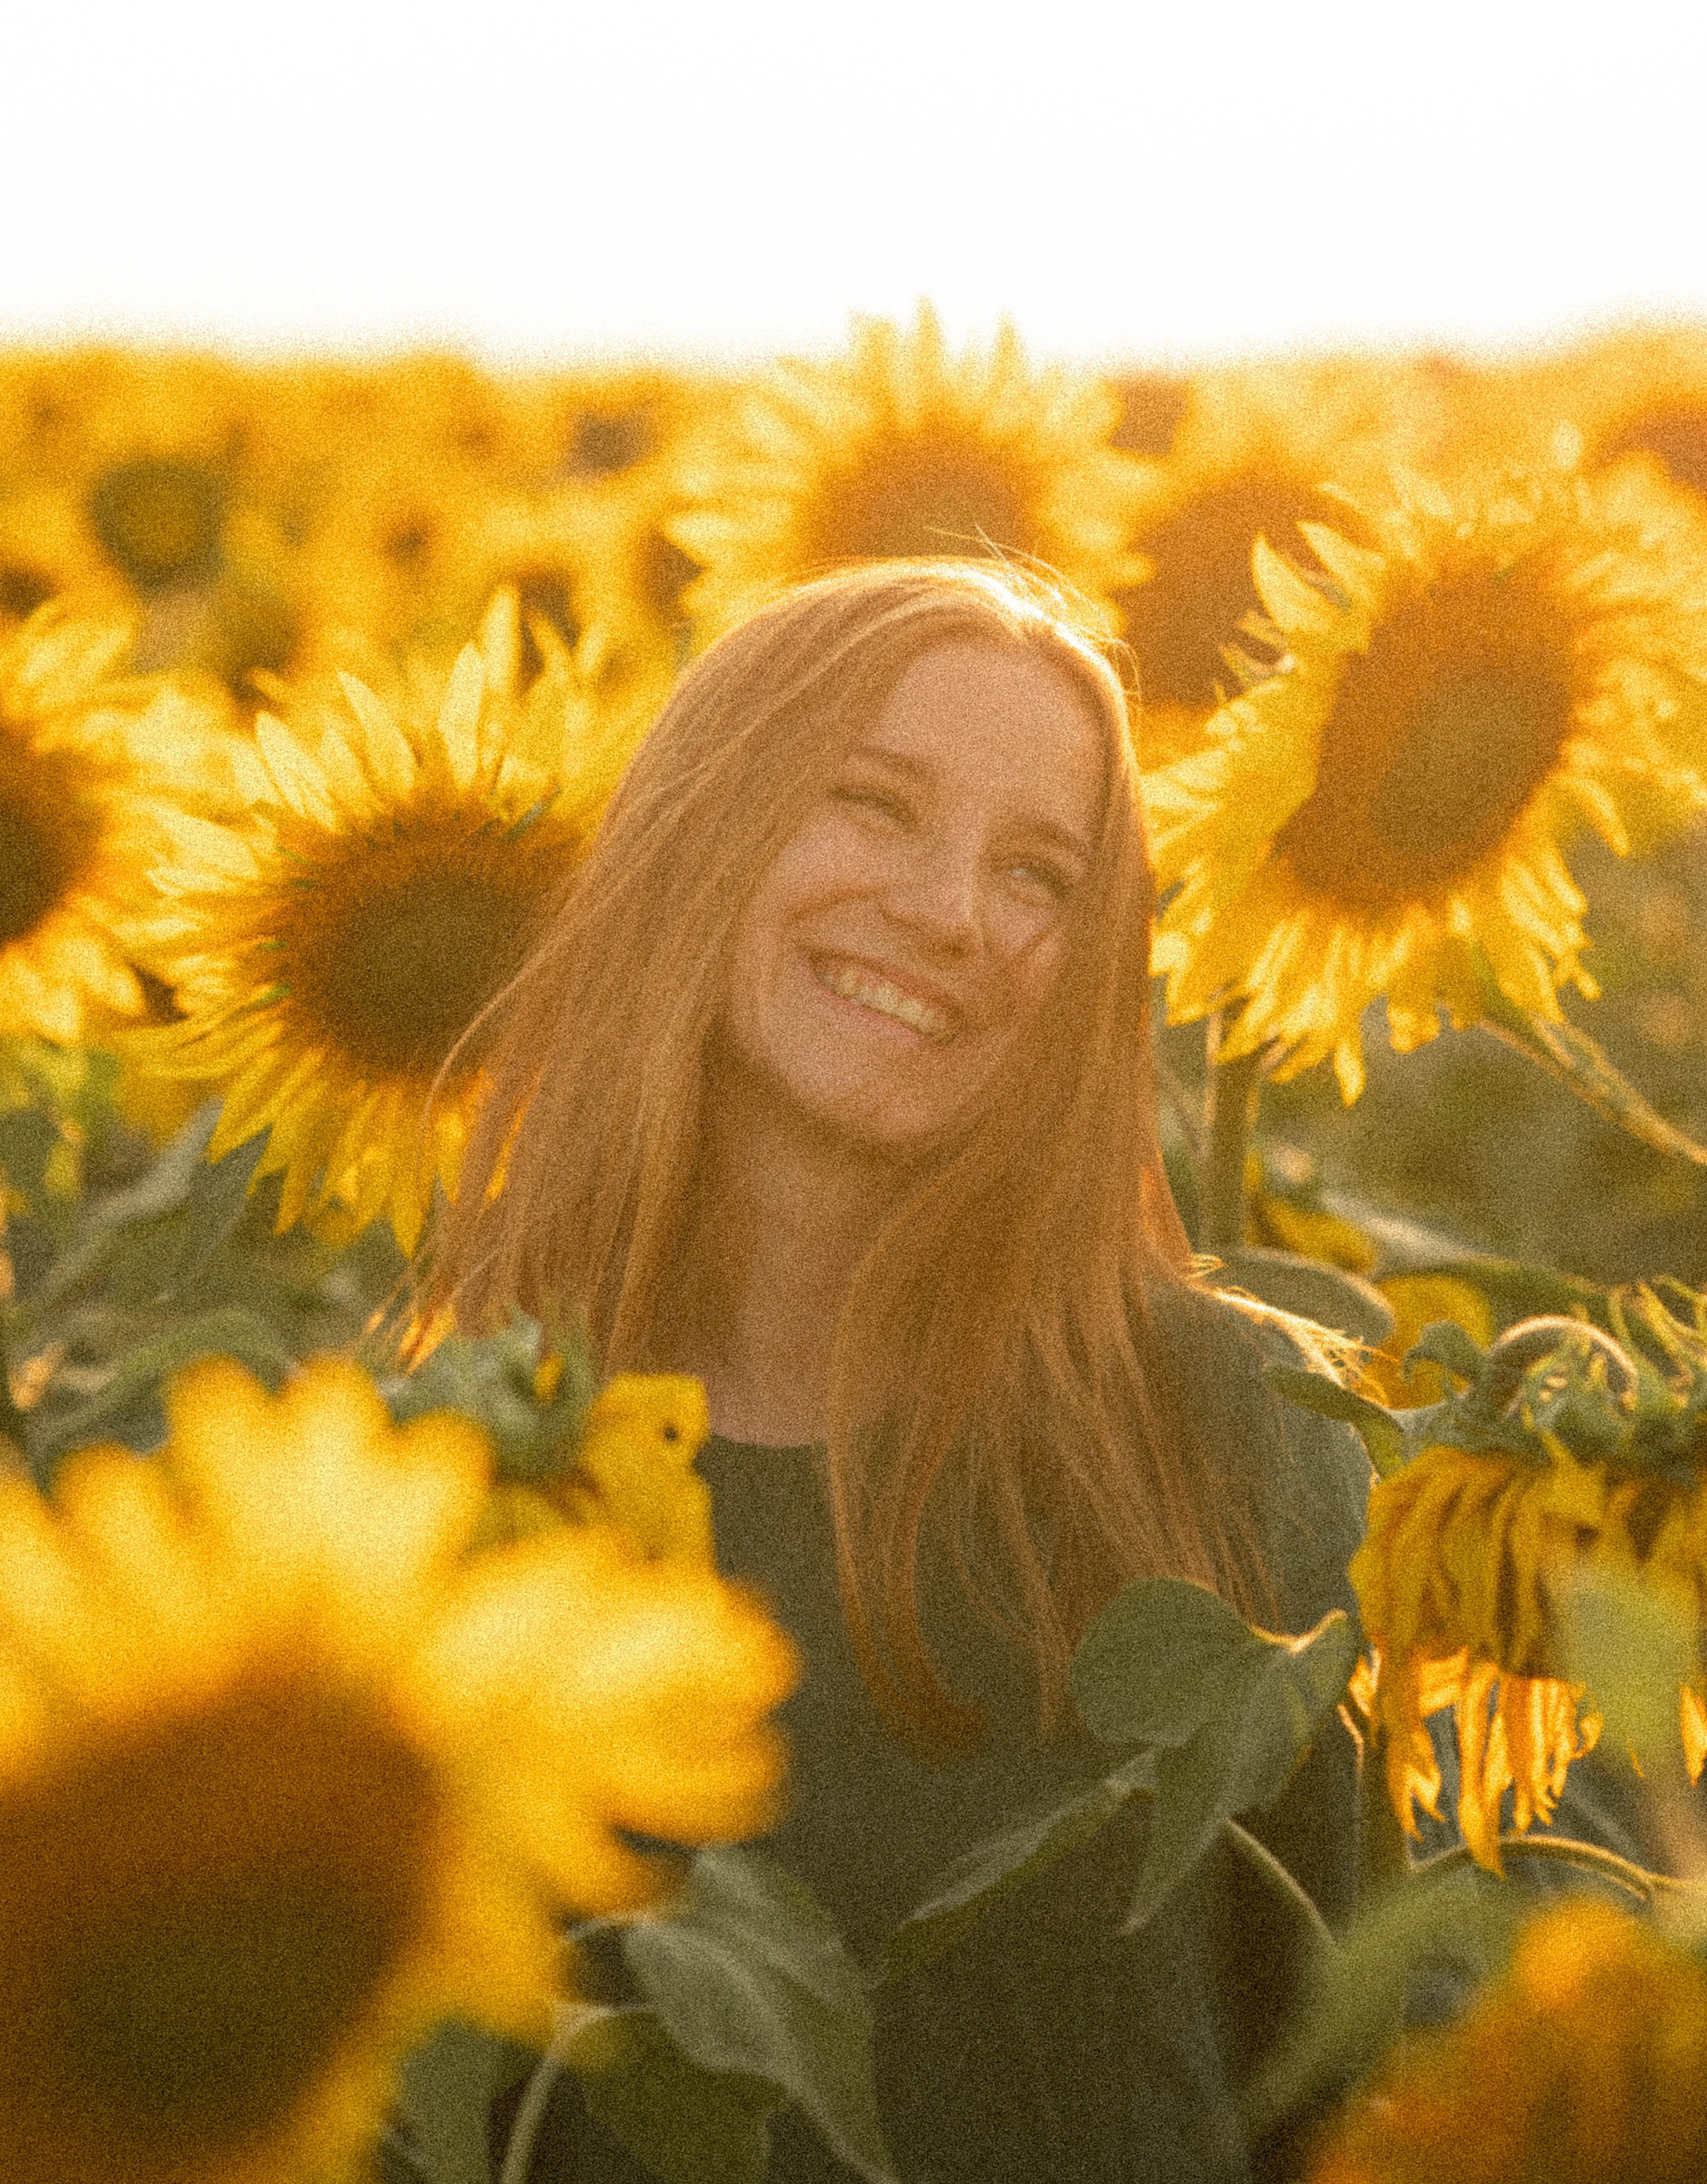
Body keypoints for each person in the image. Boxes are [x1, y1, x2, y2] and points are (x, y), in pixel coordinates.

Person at [417, 559, 1373, 2182]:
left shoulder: (1241, 1437)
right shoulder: (430, 1486)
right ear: (697, 835)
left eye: (1041, 876)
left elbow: (1354, 2087)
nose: (950, 912)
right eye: (874, 805)